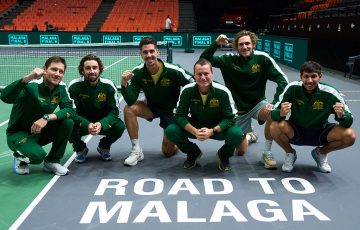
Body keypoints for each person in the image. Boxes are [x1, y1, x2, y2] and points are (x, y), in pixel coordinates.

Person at [200, 30, 289, 169]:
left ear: (253, 44)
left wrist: (275, 103)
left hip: (258, 104)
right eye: (241, 44)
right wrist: (216, 44)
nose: (245, 47)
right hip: (238, 109)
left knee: (273, 113)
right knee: (240, 151)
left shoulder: (263, 58)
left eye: (247, 43)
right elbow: (204, 61)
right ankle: (249, 136)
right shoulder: (228, 59)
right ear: (236, 46)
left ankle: (267, 152)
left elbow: (283, 81)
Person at [270, 60, 356, 173]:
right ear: (301, 77)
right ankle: (290, 153)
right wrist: (280, 113)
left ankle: (321, 153)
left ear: (320, 77)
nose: (309, 81)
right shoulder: (292, 88)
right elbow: (273, 113)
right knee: (275, 126)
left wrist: (342, 116)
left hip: (320, 133)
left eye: (313, 76)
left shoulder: (331, 92)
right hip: (296, 132)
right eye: (306, 76)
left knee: (349, 136)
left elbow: (349, 121)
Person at [120, 36, 193, 166]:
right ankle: (136, 150)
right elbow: (131, 100)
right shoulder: (138, 72)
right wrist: (124, 83)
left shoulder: (174, 70)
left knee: (167, 152)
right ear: (141, 54)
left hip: (171, 111)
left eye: (152, 51)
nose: (149, 55)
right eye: (145, 52)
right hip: (151, 108)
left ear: (157, 52)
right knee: (128, 109)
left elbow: (194, 83)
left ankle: (177, 137)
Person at [0, 56, 75, 176]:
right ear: (44, 69)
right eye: (53, 69)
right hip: (19, 134)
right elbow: (5, 97)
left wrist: (47, 118)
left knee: (68, 122)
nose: (57, 74)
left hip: (41, 131)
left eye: (61, 71)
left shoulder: (61, 87)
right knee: (38, 156)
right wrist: (28, 78)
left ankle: (52, 161)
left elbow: (70, 110)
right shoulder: (31, 85)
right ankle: (19, 156)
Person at [165, 58, 244, 171]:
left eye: (206, 73)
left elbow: (229, 118)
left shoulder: (223, 91)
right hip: (196, 124)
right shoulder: (187, 90)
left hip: (217, 127)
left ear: (212, 74)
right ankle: (193, 153)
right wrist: (194, 131)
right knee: (171, 130)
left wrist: (212, 131)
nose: (203, 77)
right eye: (199, 74)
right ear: (194, 75)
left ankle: (224, 155)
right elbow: (180, 115)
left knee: (237, 134)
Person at [68, 54, 125, 163]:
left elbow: (114, 111)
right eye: (88, 68)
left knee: (119, 126)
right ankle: (80, 149)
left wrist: (102, 124)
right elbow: (71, 112)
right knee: (66, 124)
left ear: (100, 69)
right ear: (82, 70)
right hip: (82, 122)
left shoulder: (108, 85)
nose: (92, 71)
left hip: (102, 121)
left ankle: (104, 146)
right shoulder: (74, 86)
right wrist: (86, 124)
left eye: (95, 68)